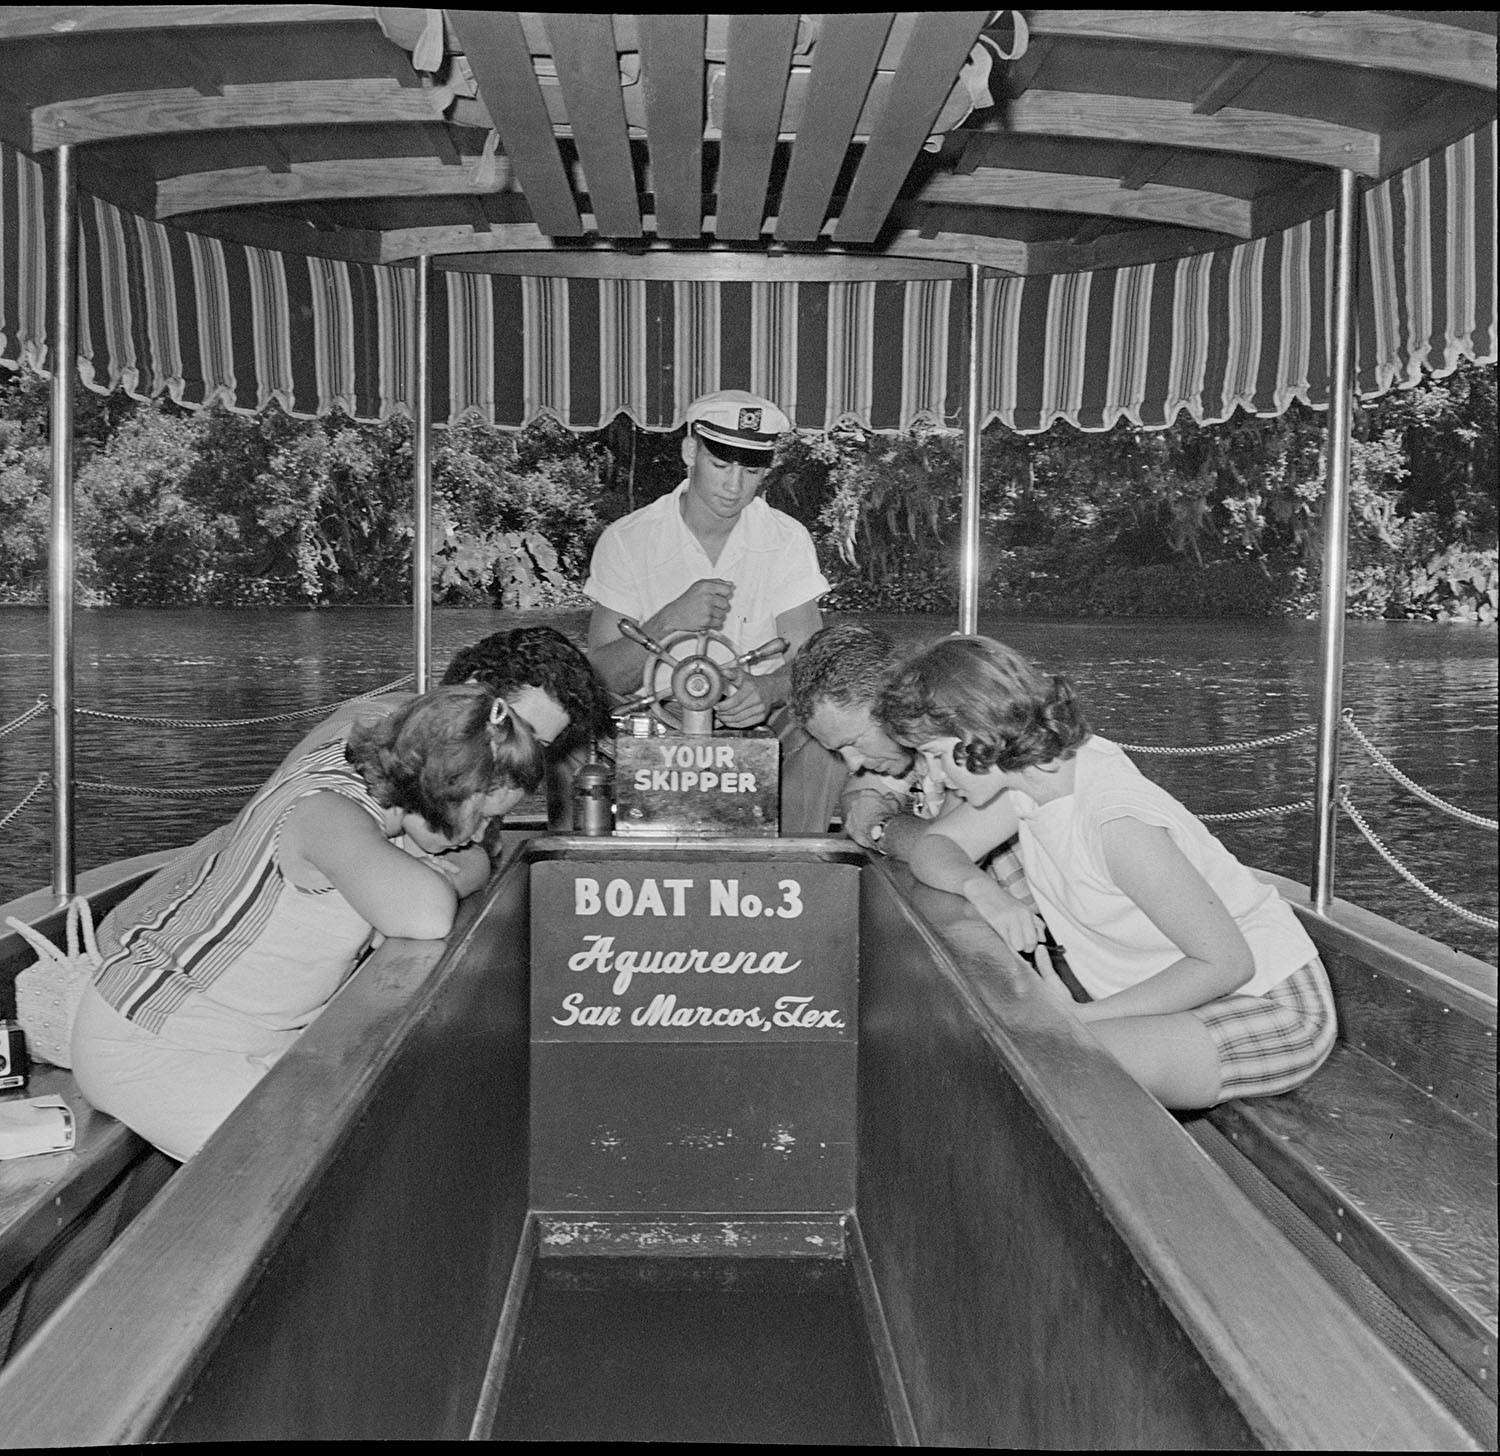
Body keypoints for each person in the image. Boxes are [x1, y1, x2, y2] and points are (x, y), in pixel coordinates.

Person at [70, 685, 546, 1161]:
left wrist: (442, 867)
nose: (484, 832)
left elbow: (473, 861)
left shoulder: (389, 795)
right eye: (483, 815)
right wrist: (434, 876)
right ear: (442, 788)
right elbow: (426, 913)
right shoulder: (327, 811)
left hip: (257, 1036)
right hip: (155, 1044)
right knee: (313, 1166)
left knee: (387, 1128)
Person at [879, 636, 1336, 1111]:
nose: (931, 776)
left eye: (933, 753)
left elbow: (1226, 963)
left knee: (1059, 1063)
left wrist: (1080, 1015)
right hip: (1183, 994)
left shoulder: (1114, 822)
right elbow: (935, 849)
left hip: (1270, 1003)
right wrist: (984, 891)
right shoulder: (1029, 783)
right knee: (1007, 1051)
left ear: (977, 730)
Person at [582, 388, 845, 833]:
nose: (733, 486)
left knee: (826, 731)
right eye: (720, 465)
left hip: (757, 722)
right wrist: (668, 622)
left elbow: (809, 659)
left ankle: (800, 862)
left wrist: (770, 688)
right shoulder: (627, 540)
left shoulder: (786, 539)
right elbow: (600, 677)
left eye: (750, 470)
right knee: (567, 723)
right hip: (652, 723)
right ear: (690, 451)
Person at [788, 622, 1037, 936]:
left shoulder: (965, 725)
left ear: (890, 702)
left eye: (854, 742)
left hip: (1045, 934)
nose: (853, 763)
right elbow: (857, 800)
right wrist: (877, 820)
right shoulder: (913, 749)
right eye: (838, 751)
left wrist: (882, 827)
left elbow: (943, 846)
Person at [279, 624, 613, 828]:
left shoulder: (463, 772)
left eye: (538, 747)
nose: (521, 751)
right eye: (517, 727)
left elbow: (472, 859)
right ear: (472, 687)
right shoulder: (374, 742)